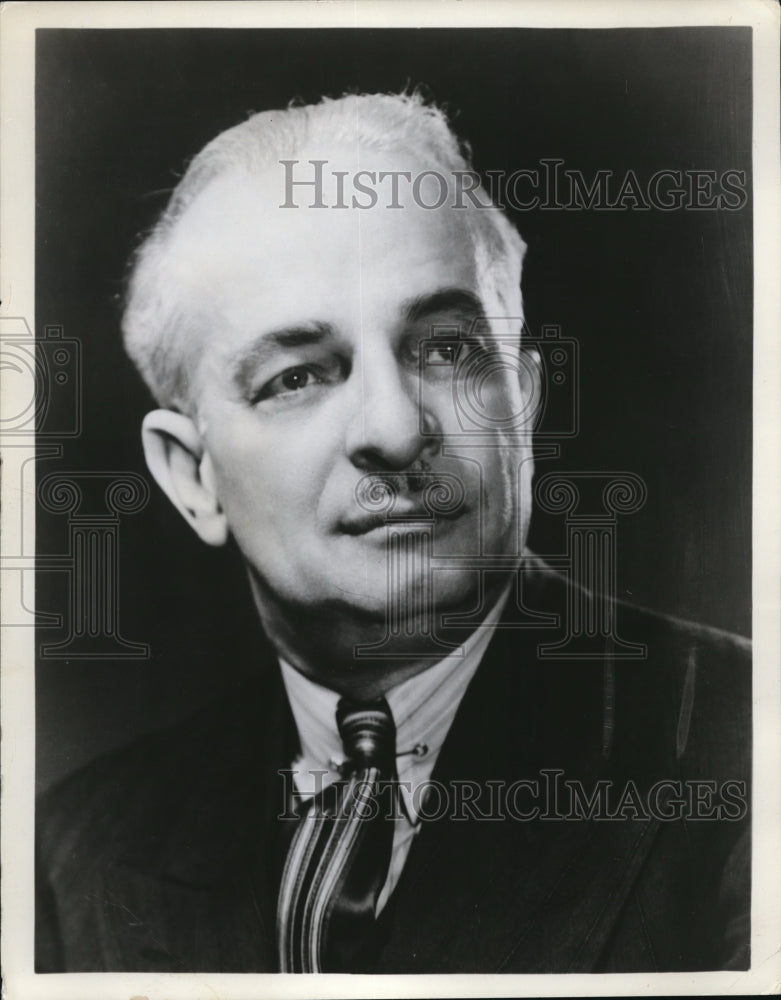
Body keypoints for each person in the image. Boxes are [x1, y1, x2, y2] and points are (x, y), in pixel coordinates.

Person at [36, 91, 751, 974]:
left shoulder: (751, 751)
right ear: (194, 477)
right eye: (298, 376)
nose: (395, 430)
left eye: (446, 348)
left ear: (521, 400)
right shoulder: (70, 859)